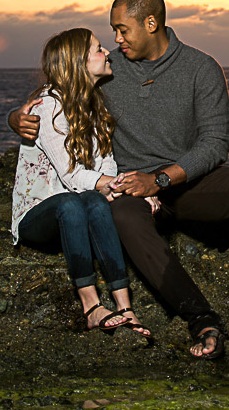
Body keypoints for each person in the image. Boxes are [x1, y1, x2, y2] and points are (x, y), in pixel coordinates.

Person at [10, 0, 229, 359]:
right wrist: (17, 118)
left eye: (122, 30)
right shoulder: (110, 69)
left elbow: (216, 143)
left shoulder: (201, 69)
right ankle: (201, 318)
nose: (116, 40)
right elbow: (62, 88)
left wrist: (161, 179)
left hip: (185, 183)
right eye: (112, 32)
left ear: (151, 23)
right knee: (119, 214)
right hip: (131, 190)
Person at [11, 27, 153, 340]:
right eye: (98, 49)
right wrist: (121, 185)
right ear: (78, 62)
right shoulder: (48, 105)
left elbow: (106, 166)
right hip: (39, 215)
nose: (107, 53)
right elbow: (72, 176)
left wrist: (129, 188)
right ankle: (90, 306)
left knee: (93, 201)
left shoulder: (96, 106)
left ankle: (125, 307)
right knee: (71, 202)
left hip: (80, 207)